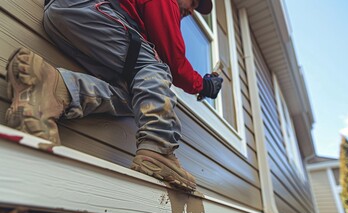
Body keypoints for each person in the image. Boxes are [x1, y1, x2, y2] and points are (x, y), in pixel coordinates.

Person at [5, 0, 223, 191]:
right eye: (193, 3)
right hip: (88, 8)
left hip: (66, 15)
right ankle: (159, 147)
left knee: (132, 93)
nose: (192, 12)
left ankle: (53, 88)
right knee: (156, 67)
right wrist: (203, 85)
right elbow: (174, 62)